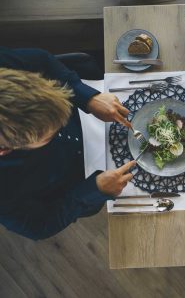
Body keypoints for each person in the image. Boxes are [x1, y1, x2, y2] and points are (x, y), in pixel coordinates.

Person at [0, 47, 135, 240]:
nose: (62, 126)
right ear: (4, 150)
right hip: (83, 178)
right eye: (50, 135)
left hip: (85, 110)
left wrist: (88, 97)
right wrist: (91, 192)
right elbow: (37, 226)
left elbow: (40, 60)